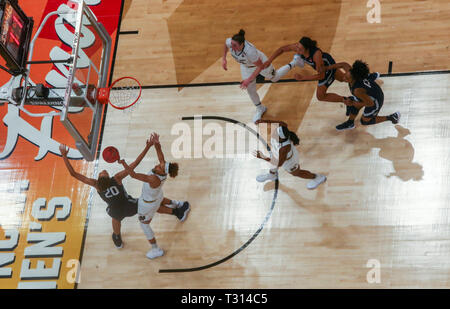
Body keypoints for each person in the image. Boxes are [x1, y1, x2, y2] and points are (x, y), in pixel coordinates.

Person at [59, 136, 154, 249]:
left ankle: (117, 238)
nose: (103, 171)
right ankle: (171, 209)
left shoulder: (97, 185)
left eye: (101, 173)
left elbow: (74, 174)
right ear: (108, 177)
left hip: (116, 210)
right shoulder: (117, 178)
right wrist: (148, 146)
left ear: (99, 179)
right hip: (129, 204)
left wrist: (64, 156)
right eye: (104, 173)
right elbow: (135, 163)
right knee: (151, 203)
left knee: (115, 218)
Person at [120, 133, 190, 259]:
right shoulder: (163, 170)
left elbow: (133, 175)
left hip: (147, 204)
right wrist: (156, 143)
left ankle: (155, 249)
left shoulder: (153, 178)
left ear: (163, 171)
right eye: (160, 164)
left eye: (159, 166)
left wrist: (123, 164)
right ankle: (179, 207)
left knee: (144, 224)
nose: (157, 165)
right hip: (156, 197)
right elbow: (160, 154)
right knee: (159, 204)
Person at [222, 29, 304, 123]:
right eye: (231, 44)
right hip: (246, 66)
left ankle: (295, 62)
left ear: (242, 44)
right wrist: (224, 59)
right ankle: (260, 108)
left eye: (235, 45)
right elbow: (225, 45)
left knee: (275, 78)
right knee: (250, 90)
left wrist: (249, 79)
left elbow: (260, 67)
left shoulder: (250, 51)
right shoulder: (231, 43)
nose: (232, 46)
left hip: (261, 64)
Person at [263, 36, 348, 105]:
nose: (297, 50)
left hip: (327, 69)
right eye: (297, 47)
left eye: (300, 49)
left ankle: (346, 100)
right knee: (344, 78)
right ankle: (350, 98)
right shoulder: (298, 47)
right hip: (325, 65)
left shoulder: (316, 55)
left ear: (307, 49)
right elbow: (282, 49)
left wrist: (303, 78)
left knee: (321, 96)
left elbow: (321, 76)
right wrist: (269, 61)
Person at [324, 60, 400, 130]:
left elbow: (370, 103)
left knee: (365, 121)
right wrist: (327, 68)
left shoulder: (358, 90)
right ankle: (350, 123)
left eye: (347, 78)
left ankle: (392, 117)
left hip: (375, 100)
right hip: (370, 91)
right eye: (345, 75)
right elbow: (343, 64)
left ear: (354, 79)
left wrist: (352, 103)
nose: (344, 78)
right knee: (353, 103)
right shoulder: (352, 72)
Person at [253, 119, 326, 190]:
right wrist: (264, 121)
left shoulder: (284, 149)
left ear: (281, 139)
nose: (274, 132)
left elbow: (278, 163)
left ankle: (317, 177)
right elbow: (280, 122)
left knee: (296, 173)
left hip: (289, 161)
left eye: (276, 134)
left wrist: (263, 157)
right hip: (278, 154)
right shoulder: (283, 128)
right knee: (272, 161)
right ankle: (272, 175)